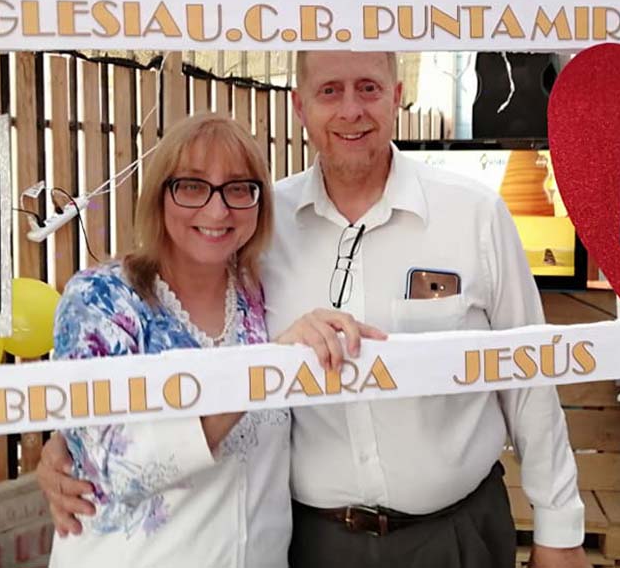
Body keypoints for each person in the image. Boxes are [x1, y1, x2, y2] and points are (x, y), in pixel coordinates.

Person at [40, 51, 589, 568]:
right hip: (314, 542)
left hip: (455, 532)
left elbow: (530, 375)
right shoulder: (259, 230)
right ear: (300, 105)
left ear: (397, 95)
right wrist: (68, 439)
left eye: (368, 88)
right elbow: (121, 410)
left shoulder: (473, 214)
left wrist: (560, 529)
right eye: (330, 90)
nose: (351, 109)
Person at [46, 113, 382, 568]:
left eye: (238, 188)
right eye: (192, 186)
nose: (217, 210)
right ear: (159, 194)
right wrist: (266, 372)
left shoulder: (261, 297)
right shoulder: (101, 299)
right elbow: (116, 468)